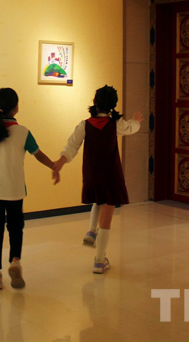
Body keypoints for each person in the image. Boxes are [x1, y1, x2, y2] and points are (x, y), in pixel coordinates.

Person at [53, 85, 142, 274]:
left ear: (95, 102)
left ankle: (92, 229)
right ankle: (99, 261)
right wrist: (136, 121)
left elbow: (71, 146)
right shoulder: (115, 124)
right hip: (111, 175)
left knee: (98, 201)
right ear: (113, 105)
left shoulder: (84, 125)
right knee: (107, 218)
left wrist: (60, 162)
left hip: (92, 175)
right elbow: (130, 128)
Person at [0, 88, 57, 290]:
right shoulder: (23, 132)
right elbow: (38, 155)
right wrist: (54, 166)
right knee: (15, 228)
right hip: (15, 191)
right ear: (16, 107)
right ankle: (15, 261)